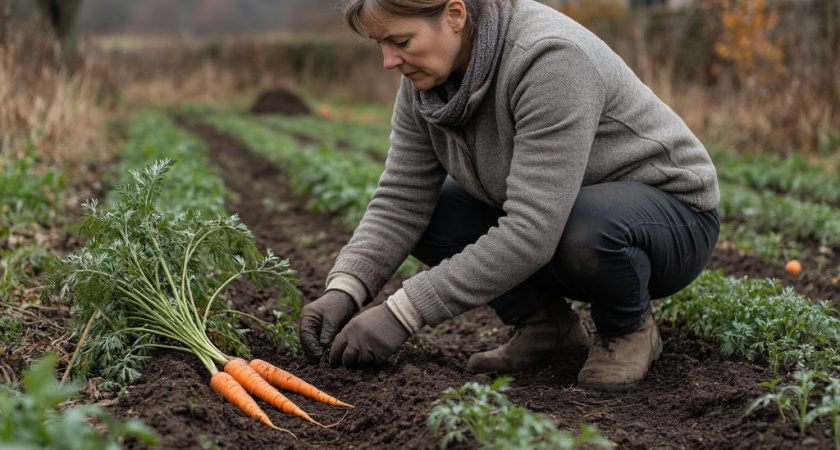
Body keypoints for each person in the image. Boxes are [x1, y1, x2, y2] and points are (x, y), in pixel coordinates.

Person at [299, 0, 720, 391]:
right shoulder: (424, 86)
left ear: (455, 14)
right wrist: (346, 288)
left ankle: (627, 329)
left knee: (585, 228)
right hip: (566, 214)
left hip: (670, 218)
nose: (389, 61)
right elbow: (400, 199)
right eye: (381, 45)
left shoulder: (549, 58)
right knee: (434, 213)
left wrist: (402, 313)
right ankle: (545, 327)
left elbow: (532, 231)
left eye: (401, 42)